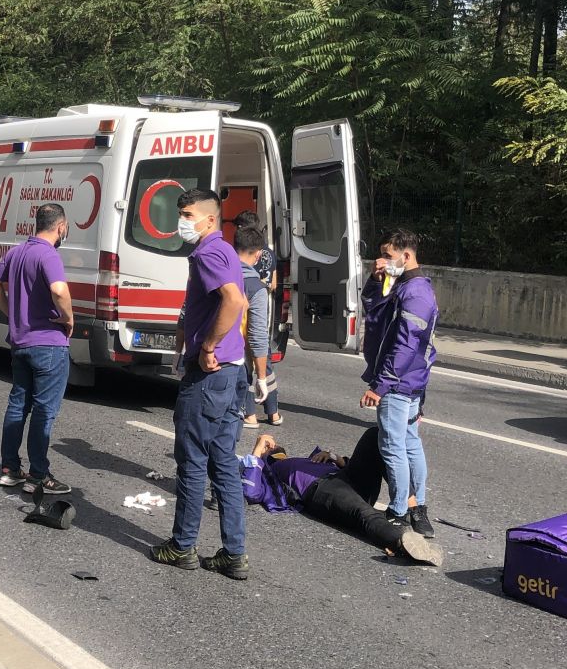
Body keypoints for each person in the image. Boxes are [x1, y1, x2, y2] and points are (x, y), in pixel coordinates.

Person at [151, 188, 250, 580]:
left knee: (191, 460)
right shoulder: (225, 249)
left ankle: (182, 545)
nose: (183, 221)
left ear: (210, 219)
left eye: (189, 214)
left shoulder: (208, 252)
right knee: (223, 461)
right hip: (232, 372)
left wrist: (208, 343)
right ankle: (234, 553)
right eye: (181, 214)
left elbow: (233, 300)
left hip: (210, 373)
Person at [250, 430, 442, 565]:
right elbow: (251, 490)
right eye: (267, 449)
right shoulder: (269, 473)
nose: (272, 445)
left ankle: (413, 509)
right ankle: (403, 542)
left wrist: (334, 457)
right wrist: (257, 451)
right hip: (322, 490)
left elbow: (352, 465)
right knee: (365, 514)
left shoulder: (302, 460)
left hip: (346, 477)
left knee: (375, 435)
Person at [0, 204, 75, 494]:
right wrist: (68, 318)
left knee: (18, 405)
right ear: (61, 226)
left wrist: (10, 313)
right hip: (49, 343)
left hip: (20, 342)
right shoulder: (49, 254)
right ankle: (38, 475)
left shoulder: (18, 251)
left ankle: (10, 469)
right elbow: (59, 290)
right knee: (44, 411)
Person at [360, 229, 439, 538]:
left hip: (400, 383)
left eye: (389, 256)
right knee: (407, 442)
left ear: (406, 256)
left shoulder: (415, 293)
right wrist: (376, 279)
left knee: (395, 446)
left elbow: (407, 346)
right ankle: (417, 509)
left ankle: (399, 511)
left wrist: (381, 385)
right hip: (408, 381)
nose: (383, 261)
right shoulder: (402, 285)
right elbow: (373, 310)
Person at [234, 226, 282, 428]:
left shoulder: (215, 273)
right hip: (241, 349)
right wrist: (261, 378)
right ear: (259, 253)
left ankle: (251, 416)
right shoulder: (255, 286)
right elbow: (256, 336)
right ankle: (266, 413)